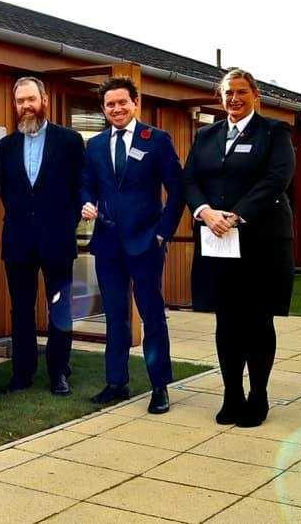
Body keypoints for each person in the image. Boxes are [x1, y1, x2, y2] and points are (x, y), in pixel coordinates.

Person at [183, 68, 295, 428]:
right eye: (228, 92)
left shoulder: (274, 132)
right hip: (217, 240)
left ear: (255, 94)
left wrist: (235, 215)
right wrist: (204, 211)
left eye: (241, 91)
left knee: (257, 319)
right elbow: (190, 180)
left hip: (260, 241)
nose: (234, 98)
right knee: (226, 320)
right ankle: (232, 394)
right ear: (220, 96)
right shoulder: (206, 135)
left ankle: (258, 395)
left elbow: (277, 178)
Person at [81, 76, 183, 414]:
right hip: (108, 245)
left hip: (146, 244)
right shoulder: (94, 146)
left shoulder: (156, 140)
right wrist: (87, 202)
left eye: (122, 102)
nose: (117, 109)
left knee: (152, 316)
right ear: (104, 109)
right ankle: (116, 382)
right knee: (115, 317)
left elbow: (177, 190)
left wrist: (162, 233)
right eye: (110, 104)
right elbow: (87, 186)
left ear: (135, 103)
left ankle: (159, 387)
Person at [0, 76, 84, 396]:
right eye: (20, 101)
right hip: (19, 240)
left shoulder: (70, 141)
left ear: (44, 100)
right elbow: (6, 190)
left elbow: (79, 189)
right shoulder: (5, 146)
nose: (25, 106)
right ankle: (22, 372)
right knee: (20, 309)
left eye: (31, 99)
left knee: (59, 307)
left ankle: (59, 372)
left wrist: (64, 223)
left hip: (57, 240)